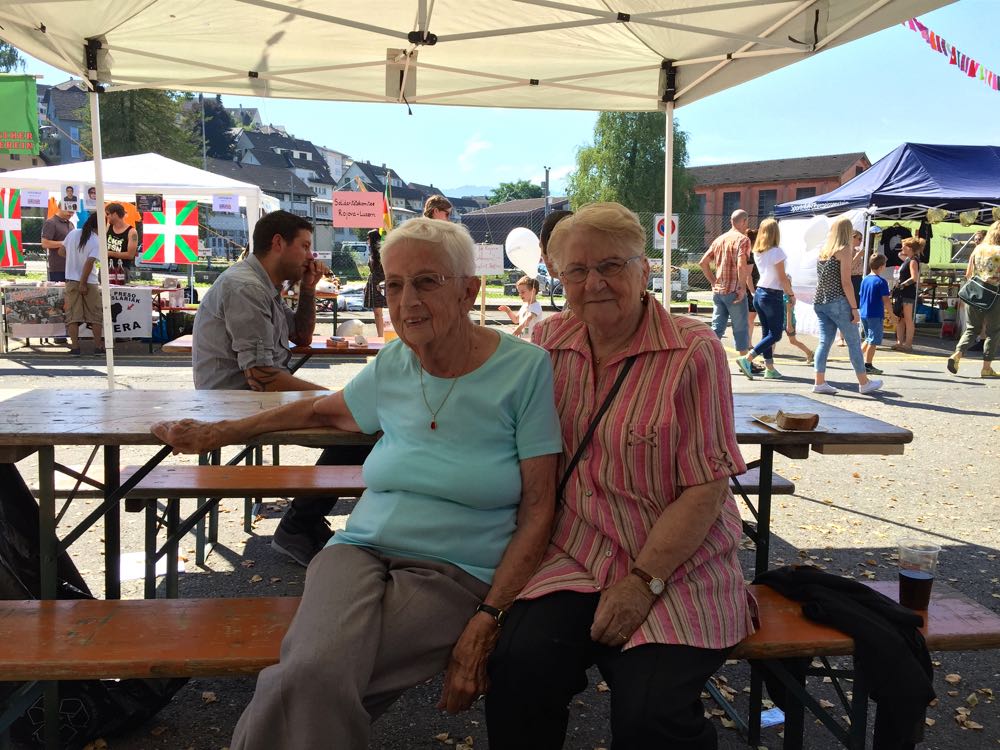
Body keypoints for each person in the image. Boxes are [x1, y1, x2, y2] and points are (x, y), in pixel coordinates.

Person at [153, 217, 563, 748]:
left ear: (469, 291)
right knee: (316, 678)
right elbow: (324, 413)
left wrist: (490, 615)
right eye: (393, 284)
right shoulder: (395, 360)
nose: (406, 300)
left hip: (455, 568)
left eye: (427, 281)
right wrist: (221, 432)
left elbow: (539, 508)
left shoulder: (525, 370)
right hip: (357, 550)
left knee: (313, 679)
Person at [487, 202, 755, 749]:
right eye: (577, 271)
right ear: (559, 278)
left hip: (676, 564)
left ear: (644, 269)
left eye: (612, 265)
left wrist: (641, 582)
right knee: (517, 669)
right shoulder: (545, 345)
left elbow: (706, 486)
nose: (595, 283)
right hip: (575, 551)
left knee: (651, 714)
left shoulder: (693, 349)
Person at [192, 210, 348, 566]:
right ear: (278, 243)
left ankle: (304, 521)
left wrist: (307, 289)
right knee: (356, 423)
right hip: (235, 402)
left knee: (355, 419)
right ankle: (298, 524)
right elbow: (262, 377)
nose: (312, 256)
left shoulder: (264, 284)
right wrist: (334, 400)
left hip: (253, 396)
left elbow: (301, 335)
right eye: (306, 246)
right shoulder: (245, 287)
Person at [812, 217, 883, 396]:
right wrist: (854, 308)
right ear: (847, 232)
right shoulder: (844, 250)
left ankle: (819, 382)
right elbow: (846, 282)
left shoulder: (824, 250)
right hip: (838, 301)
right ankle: (864, 382)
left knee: (824, 342)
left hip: (820, 301)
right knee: (853, 342)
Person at [736, 218, 795, 380]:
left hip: (760, 293)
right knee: (775, 335)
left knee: (766, 333)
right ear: (775, 232)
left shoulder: (757, 251)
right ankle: (747, 358)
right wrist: (790, 294)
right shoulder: (777, 252)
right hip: (772, 295)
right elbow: (782, 278)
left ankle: (769, 368)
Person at [947, 220, 1000, 378]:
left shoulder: (979, 249)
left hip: (975, 293)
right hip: (995, 295)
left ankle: (956, 355)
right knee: (993, 332)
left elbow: (969, 273)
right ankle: (986, 368)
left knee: (972, 329)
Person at [700, 209, 752, 361]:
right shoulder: (743, 240)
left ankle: (704, 356)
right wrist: (742, 288)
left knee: (717, 327)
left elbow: (703, 263)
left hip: (719, 291)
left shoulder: (719, 240)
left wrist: (713, 281)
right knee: (741, 328)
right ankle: (744, 362)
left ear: (731, 221)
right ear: (744, 222)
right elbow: (742, 265)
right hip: (734, 291)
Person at [59, 213, 105, 357]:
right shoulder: (96, 240)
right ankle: (97, 347)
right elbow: (89, 263)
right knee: (95, 315)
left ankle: (75, 347)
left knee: (73, 315)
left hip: (71, 280)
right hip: (89, 282)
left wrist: (73, 258)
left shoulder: (73, 233)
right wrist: (83, 282)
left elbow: (61, 251)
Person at [859, 254, 891, 376]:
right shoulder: (881, 281)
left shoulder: (865, 279)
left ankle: (857, 358)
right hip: (875, 314)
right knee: (873, 340)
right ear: (882, 266)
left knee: (868, 338)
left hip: (864, 313)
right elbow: (886, 300)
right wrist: (892, 315)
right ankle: (868, 364)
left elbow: (861, 295)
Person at [891, 237, 922, 352]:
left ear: (909, 248)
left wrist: (902, 285)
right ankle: (899, 342)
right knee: (900, 318)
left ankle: (908, 343)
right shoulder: (908, 259)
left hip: (907, 293)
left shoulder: (913, 260)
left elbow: (914, 278)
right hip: (902, 293)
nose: (902, 247)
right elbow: (900, 254)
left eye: (904, 246)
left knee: (908, 318)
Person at [837, 229, 866, 347]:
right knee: (847, 307)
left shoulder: (856, 250)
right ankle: (841, 337)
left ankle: (852, 335)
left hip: (858, 279)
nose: (860, 241)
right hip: (850, 279)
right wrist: (858, 256)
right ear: (852, 238)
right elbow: (849, 267)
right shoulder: (846, 251)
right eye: (859, 239)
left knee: (855, 307)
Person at [105, 203, 138, 284]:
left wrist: (110, 253)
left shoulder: (132, 232)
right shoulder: (108, 227)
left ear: (115, 214)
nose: (107, 216)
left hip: (122, 269)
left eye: (108, 214)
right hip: (107, 268)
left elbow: (130, 255)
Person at [40, 203, 73, 282]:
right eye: (68, 210)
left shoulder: (70, 223)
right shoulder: (51, 222)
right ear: (60, 207)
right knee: (59, 293)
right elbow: (45, 243)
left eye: (73, 211)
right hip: (58, 267)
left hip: (70, 266)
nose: (71, 213)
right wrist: (65, 243)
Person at [362, 228, 386, 337]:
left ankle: (390, 335)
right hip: (373, 283)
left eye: (368, 238)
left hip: (382, 284)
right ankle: (380, 336)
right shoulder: (372, 253)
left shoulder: (383, 252)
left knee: (386, 311)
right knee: (377, 313)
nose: (367, 240)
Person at [744, 227, 759, 351]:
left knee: (750, 318)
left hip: (751, 289)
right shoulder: (751, 255)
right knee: (750, 318)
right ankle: (747, 343)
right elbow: (748, 275)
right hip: (751, 290)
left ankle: (748, 343)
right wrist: (752, 291)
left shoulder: (751, 254)